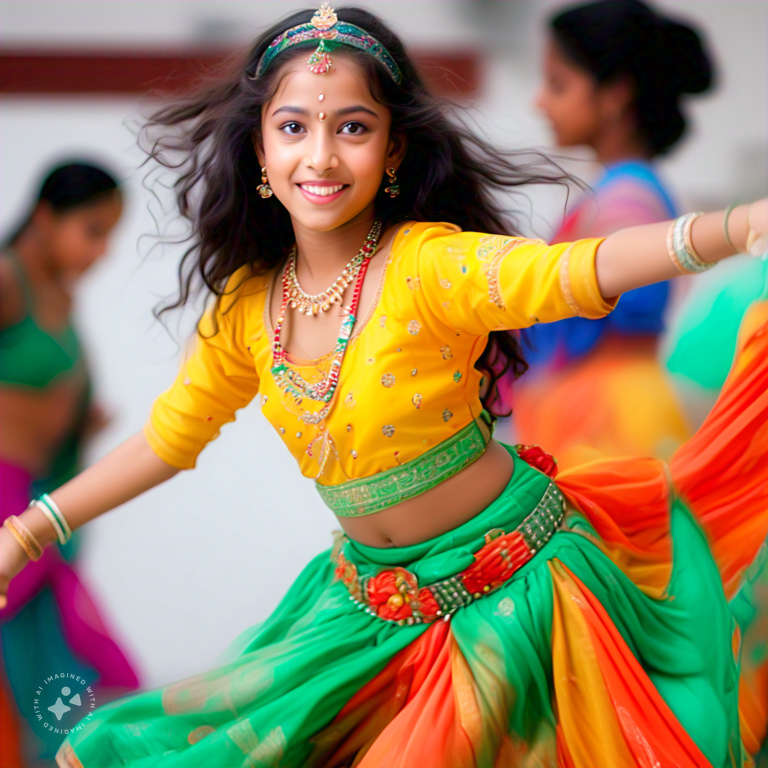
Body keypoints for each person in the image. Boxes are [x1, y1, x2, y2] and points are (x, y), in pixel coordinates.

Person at [0, 5, 766, 765]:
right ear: (259, 149)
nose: (322, 157)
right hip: (367, 610)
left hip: (513, 595)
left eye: (354, 128)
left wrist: (733, 229)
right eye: (294, 127)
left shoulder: (428, 264)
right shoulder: (243, 309)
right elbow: (167, 443)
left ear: (394, 149)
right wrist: (27, 532)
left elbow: (576, 270)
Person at [514, 0, 714, 467]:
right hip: (600, 409)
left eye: (558, 84)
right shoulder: (618, 191)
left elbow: (619, 310)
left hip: (605, 421)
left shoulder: (626, 199)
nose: (540, 102)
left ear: (615, 94)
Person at [0, 162, 139, 766]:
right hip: (9, 504)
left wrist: (76, 419)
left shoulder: (57, 293)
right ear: (46, 216)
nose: (102, 250)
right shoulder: (7, 279)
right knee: (63, 662)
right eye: (93, 230)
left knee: (53, 665)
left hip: (41, 497)